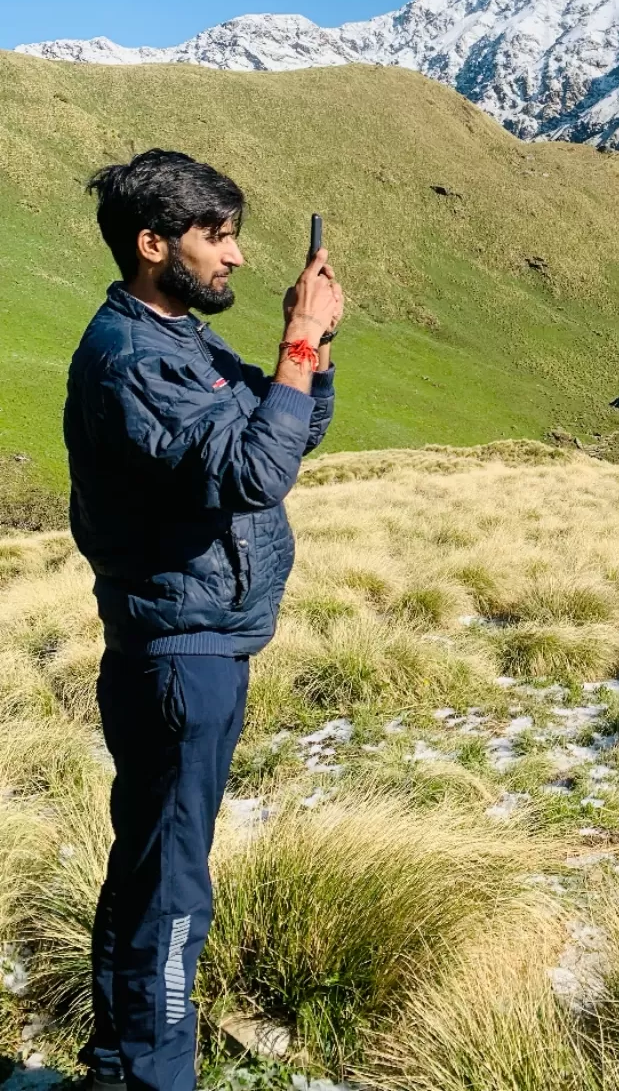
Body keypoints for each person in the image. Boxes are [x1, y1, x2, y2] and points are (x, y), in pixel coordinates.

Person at [63, 149, 343, 1091]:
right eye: (215, 237)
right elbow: (257, 474)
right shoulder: (133, 358)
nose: (235, 255)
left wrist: (309, 351)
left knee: (152, 865)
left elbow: (288, 428)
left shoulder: (177, 336)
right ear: (154, 245)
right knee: (175, 888)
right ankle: (153, 1079)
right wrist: (297, 347)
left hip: (198, 646)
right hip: (180, 658)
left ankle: (118, 1065)